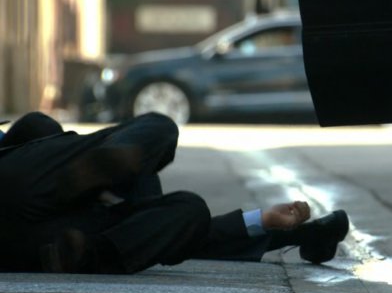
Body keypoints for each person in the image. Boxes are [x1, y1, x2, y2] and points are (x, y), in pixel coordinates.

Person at [0, 111, 349, 274]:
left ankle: (92, 247)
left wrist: (263, 221)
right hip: (22, 185)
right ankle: (101, 175)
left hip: (44, 241)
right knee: (157, 127)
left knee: (188, 211)